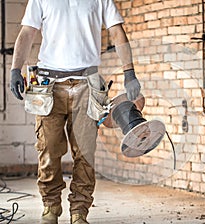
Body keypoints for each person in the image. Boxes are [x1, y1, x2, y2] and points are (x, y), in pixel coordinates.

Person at [10, 0, 141, 224]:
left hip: (87, 86)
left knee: (85, 154)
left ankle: (79, 211)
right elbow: (27, 32)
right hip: (48, 86)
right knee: (48, 149)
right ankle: (51, 206)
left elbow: (117, 31)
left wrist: (129, 72)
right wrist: (15, 68)